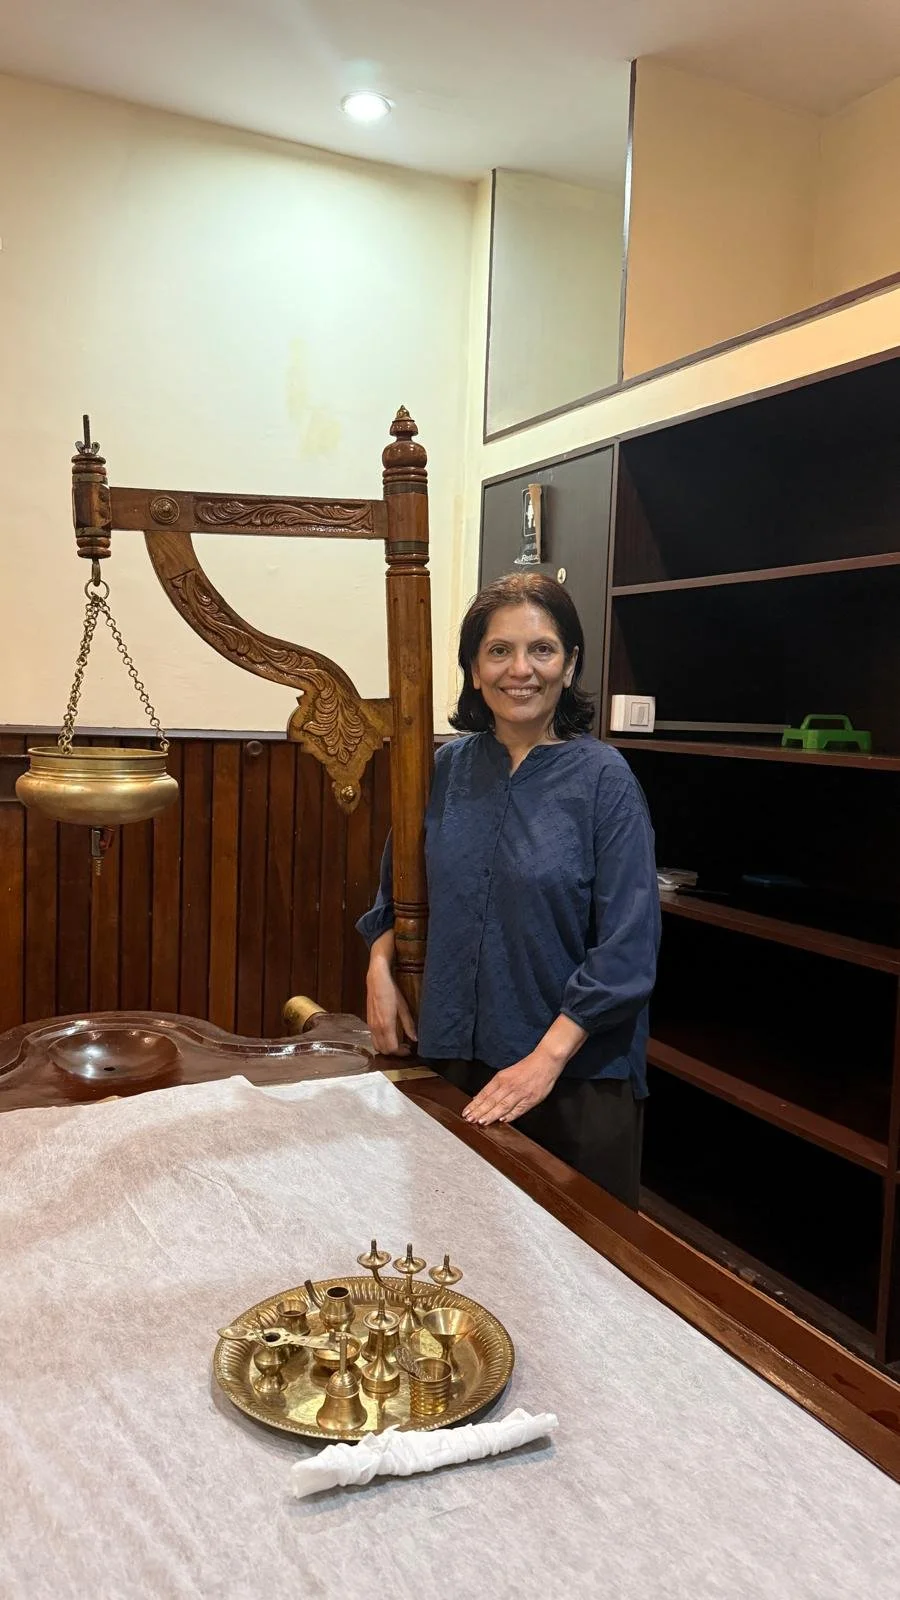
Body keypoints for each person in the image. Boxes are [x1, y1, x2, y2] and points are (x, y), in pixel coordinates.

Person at [357, 572, 660, 1208]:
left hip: (572, 1077)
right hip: (452, 1057)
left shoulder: (605, 780)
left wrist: (543, 1061)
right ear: (473, 668)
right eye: (499, 651)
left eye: (542, 649)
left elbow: (628, 951)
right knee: (448, 1256)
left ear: (570, 664)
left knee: (575, 1278)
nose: (520, 669)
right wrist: (378, 967)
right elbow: (398, 892)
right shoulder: (441, 768)